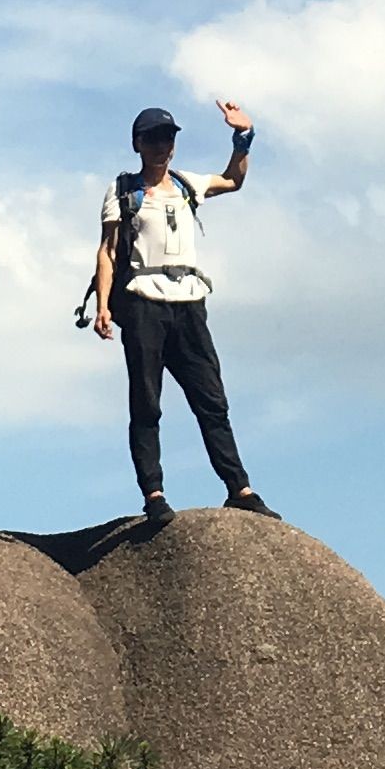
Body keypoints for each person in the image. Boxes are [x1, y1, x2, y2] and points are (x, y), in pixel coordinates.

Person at [89, 99, 272, 529]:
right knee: (147, 402)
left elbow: (232, 181)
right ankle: (153, 493)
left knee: (211, 400)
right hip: (143, 301)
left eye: (168, 137)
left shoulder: (188, 185)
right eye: (153, 138)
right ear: (137, 143)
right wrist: (102, 306)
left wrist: (242, 137)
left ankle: (239, 488)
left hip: (189, 300)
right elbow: (108, 251)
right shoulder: (122, 192)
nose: (161, 146)